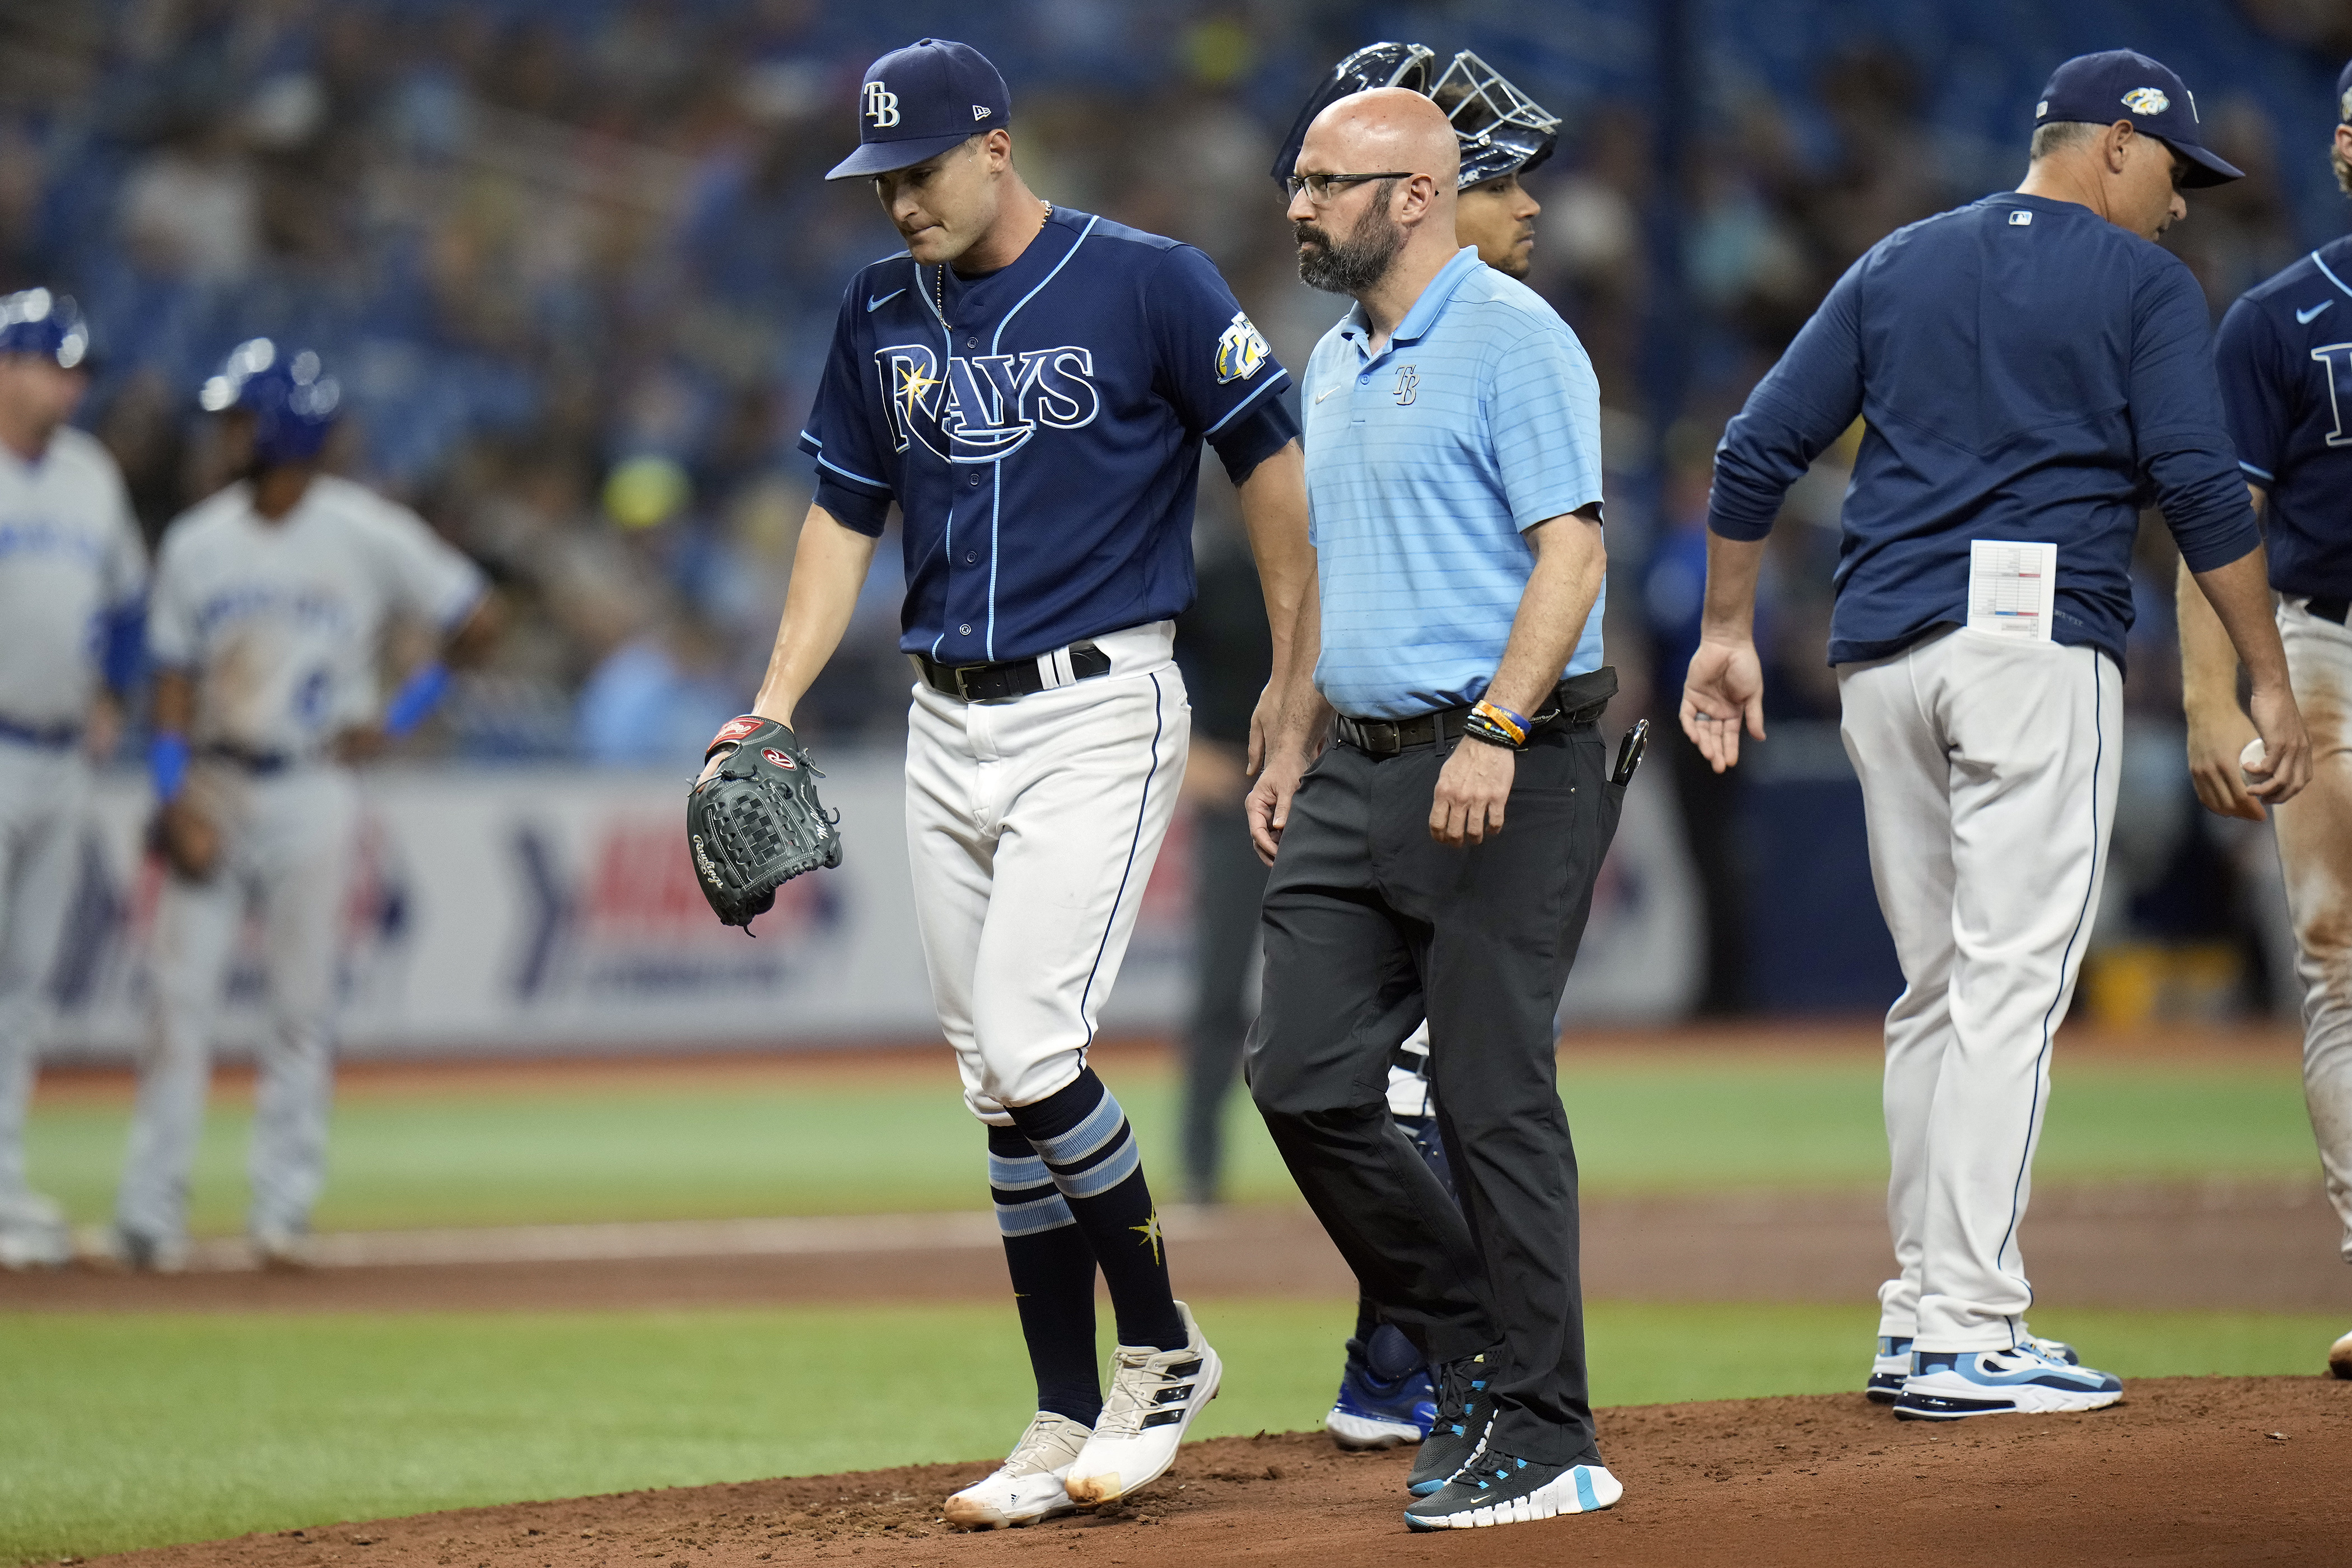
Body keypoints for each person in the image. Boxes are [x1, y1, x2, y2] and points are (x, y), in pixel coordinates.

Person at [1683, 50, 2311, 1421]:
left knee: (1936, 994)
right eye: (2175, 173)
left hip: (1879, 658)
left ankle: (1920, 1315)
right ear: (2110, 152)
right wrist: (2268, 676)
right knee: (2013, 992)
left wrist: (1727, 631)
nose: (2186, 207)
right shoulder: (2142, 284)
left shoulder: (1898, 258)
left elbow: (1752, 450)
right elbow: (2206, 491)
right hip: (2031, 649)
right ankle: (1970, 1328)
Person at [738, 39, 1311, 1527]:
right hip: (944, 719)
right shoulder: (878, 310)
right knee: (996, 1085)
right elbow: (838, 519)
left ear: (995, 144)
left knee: (1031, 1039)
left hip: (1096, 707)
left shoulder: (1153, 282)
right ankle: (1062, 1412)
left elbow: (1272, 464)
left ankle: (1167, 1352)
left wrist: (1294, 679)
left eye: (917, 171)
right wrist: (772, 706)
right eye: (878, 181)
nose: (897, 204)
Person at [1248, 87, 1623, 1532]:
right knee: (1301, 1077)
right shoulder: (1332, 358)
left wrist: (1496, 727)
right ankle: (1474, 1341)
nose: (1299, 202)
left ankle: (1549, 1428)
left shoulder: (1516, 336)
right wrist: (1289, 727)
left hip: (1503, 763)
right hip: (1358, 761)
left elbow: (1571, 556)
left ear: (1415, 194)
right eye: (1298, 178)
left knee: (1489, 1091)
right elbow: (1330, 567)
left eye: (1330, 182)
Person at [110, 338, 494, 1272]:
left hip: (316, 785)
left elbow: (477, 617)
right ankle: (150, 1217)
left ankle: (281, 1212)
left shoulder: (362, 529)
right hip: (213, 778)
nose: (225, 435)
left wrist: (398, 717)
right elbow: (167, 685)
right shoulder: (199, 541)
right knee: (178, 1002)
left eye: (240, 419)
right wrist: (170, 797)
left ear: (281, 428)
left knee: (301, 1008)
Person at [2182, 55, 2352, 1383]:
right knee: (2339, 955)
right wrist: (2229, 695)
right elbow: (2211, 527)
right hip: (2327, 648)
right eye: (2351, 124)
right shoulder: (2280, 319)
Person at [0, 290, 144, 1269]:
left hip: (58, 757)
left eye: (79, 368)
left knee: (23, 987)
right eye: (54, 363)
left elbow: (129, 606)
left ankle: (3, 1178)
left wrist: (113, 697)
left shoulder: (92, 474)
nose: (71, 383)